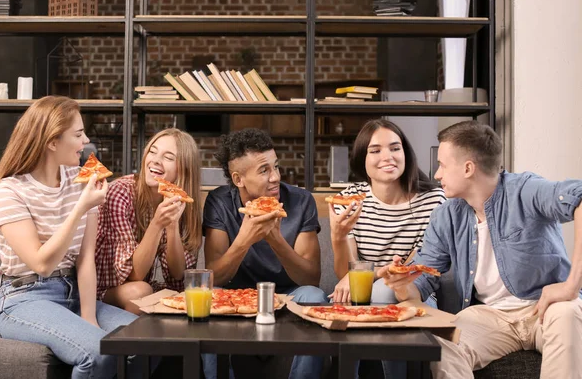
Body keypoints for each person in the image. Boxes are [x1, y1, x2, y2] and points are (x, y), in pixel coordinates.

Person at [378, 120, 582, 378]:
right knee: (442, 344)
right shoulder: (446, 216)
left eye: (442, 164)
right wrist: (401, 284)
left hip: (544, 308)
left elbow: (579, 197)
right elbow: (420, 286)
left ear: (468, 168)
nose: (437, 174)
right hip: (489, 316)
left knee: (568, 311)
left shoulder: (525, 190)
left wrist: (572, 285)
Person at [0, 96, 138, 378]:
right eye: (78, 135)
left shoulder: (81, 180)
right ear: (52, 142)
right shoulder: (9, 191)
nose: (86, 141)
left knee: (145, 343)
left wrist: (89, 316)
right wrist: (82, 207)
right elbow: (41, 263)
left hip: (74, 294)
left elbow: (85, 258)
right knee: (97, 352)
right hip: (23, 299)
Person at [203, 128, 328, 379]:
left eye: (276, 166)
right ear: (238, 179)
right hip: (235, 297)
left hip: (288, 295)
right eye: (264, 170)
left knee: (314, 295)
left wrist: (275, 240)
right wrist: (245, 239)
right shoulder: (219, 202)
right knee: (207, 296)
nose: (275, 177)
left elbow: (311, 278)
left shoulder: (301, 200)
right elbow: (212, 277)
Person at [329, 119, 445, 305]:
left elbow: (408, 270)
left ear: (405, 154)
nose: (388, 157)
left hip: (412, 293)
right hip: (362, 290)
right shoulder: (349, 199)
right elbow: (345, 273)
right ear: (362, 159)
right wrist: (338, 236)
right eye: (375, 151)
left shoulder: (433, 200)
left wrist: (364, 272)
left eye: (395, 148)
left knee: (383, 292)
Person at [95, 128, 202, 314]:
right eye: (152, 152)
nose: (155, 160)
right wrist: (157, 224)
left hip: (140, 288)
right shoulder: (120, 193)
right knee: (142, 290)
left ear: (184, 169)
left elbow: (177, 278)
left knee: (181, 296)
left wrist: (172, 226)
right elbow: (133, 275)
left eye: (168, 157)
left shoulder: (180, 201)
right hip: (99, 289)